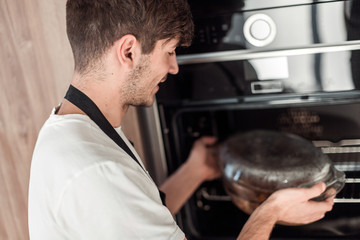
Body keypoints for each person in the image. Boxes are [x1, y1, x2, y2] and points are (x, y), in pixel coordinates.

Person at [28, 0, 335, 239]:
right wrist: (270, 211)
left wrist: (195, 170)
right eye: (170, 51)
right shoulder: (97, 169)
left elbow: (139, 218)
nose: (174, 67)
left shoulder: (71, 133)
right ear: (129, 51)